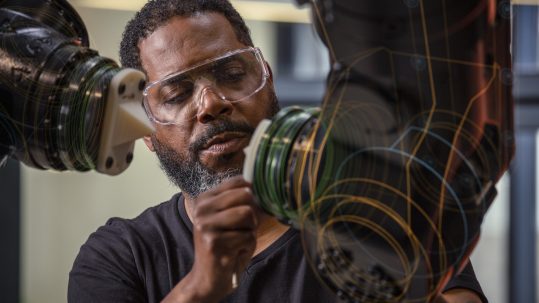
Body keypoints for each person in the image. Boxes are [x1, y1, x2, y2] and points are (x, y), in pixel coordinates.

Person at [68, 0, 488, 302]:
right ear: (145, 128)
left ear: (267, 78)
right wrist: (202, 287)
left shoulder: (373, 210)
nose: (211, 104)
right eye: (177, 94)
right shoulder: (119, 255)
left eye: (232, 74)